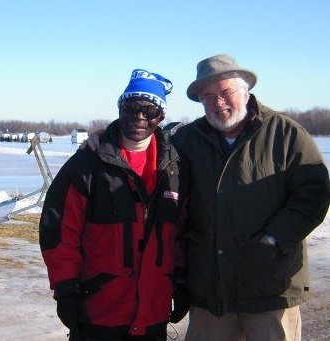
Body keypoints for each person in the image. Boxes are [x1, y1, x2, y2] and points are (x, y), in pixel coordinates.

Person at [171, 54, 330, 341]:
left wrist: (274, 238)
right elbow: (142, 148)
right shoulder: (187, 140)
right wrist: (104, 137)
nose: (218, 103)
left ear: (246, 91)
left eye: (226, 92)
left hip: (270, 285)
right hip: (211, 289)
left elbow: (313, 194)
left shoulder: (286, 133)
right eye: (208, 97)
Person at [39, 69, 189, 341]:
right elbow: (59, 229)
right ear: (120, 109)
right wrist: (65, 289)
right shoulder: (89, 163)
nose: (139, 117)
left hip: (152, 312)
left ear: (161, 116)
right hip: (99, 310)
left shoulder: (176, 168)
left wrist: (181, 282)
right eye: (131, 108)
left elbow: (182, 233)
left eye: (150, 110)